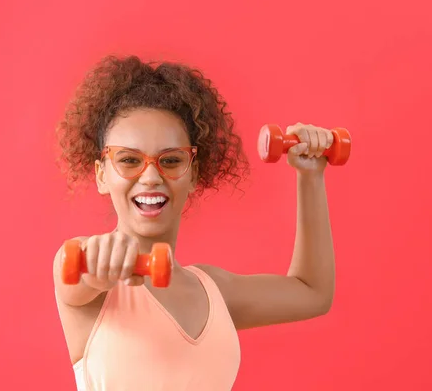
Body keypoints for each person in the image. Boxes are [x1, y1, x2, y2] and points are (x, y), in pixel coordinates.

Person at [53, 55, 336, 391]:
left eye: (171, 160)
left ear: (194, 173)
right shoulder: (86, 267)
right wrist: (102, 260)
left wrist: (310, 175)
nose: (151, 177)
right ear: (102, 175)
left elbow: (312, 292)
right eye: (128, 160)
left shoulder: (214, 291)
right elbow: (79, 273)